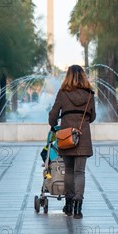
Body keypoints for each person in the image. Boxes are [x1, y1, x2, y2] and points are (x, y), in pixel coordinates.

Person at [49, 64, 96, 219]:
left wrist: (54, 124)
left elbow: (53, 114)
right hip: (83, 135)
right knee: (80, 172)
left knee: (68, 171)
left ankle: (68, 204)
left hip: (66, 135)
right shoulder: (89, 94)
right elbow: (93, 116)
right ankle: (78, 206)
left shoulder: (63, 93)